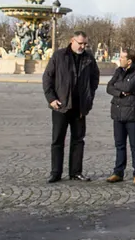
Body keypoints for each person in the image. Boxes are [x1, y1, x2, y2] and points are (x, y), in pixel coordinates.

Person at [42, 31, 100, 183]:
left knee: (78, 140)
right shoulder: (59, 56)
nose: (82, 46)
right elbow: (47, 77)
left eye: (85, 44)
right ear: (72, 41)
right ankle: (56, 172)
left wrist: (89, 96)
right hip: (61, 105)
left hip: (80, 107)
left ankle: (76, 172)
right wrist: (51, 99)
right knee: (57, 140)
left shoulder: (89, 58)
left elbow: (95, 78)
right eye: (80, 43)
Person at [106, 48, 135, 186]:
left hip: (132, 114)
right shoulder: (118, 71)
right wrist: (120, 92)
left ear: (129, 61)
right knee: (119, 145)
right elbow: (109, 87)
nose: (119, 59)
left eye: (122, 57)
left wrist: (118, 86)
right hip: (118, 113)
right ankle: (118, 172)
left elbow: (129, 87)